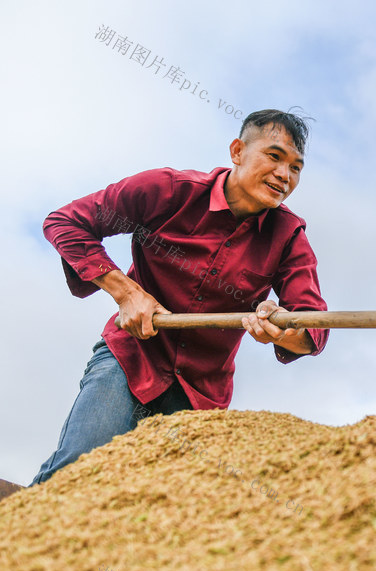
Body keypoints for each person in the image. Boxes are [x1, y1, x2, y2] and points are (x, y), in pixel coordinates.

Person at [31, 109, 329, 485]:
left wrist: (280, 328)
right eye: (274, 156)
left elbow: (312, 328)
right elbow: (65, 222)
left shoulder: (288, 236)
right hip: (130, 357)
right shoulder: (168, 190)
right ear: (237, 151)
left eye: (296, 167)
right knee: (76, 469)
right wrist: (127, 293)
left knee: (161, 503)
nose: (285, 175)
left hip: (199, 394)